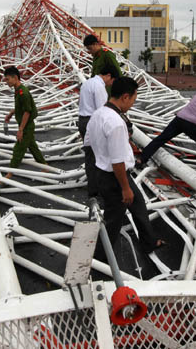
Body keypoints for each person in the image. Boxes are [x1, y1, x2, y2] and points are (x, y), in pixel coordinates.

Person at [85, 77, 165, 257]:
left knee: (138, 206)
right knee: (114, 220)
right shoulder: (115, 123)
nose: (132, 105)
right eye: (133, 100)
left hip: (105, 173)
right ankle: (100, 258)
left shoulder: (98, 114)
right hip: (114, 178)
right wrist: (125, 188)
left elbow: (88, 144)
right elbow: (117, 161)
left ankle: (149, 242)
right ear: (125, 97)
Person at [79, 65, 119, 197]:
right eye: (112, 80)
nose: (111, 83)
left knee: (90, 156)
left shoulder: (87, 83)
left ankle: (93, 188)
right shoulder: (99, 87)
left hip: (83, 120)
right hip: (93, 122)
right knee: (98, 157)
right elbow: (102, 111)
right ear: (108, 76)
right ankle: (97, 190)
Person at [3, 66, 47, 180]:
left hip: (26, 126)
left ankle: (10, 174)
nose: (6, 82)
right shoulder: (18, 90)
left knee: (18, 149)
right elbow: (20, 107)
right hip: (26, 125)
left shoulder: (24, 92)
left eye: (7, 79)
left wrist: (21, 130)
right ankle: (45, 166)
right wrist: (11, 113)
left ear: (15, 78)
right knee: (33, 147)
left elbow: (27, 111)